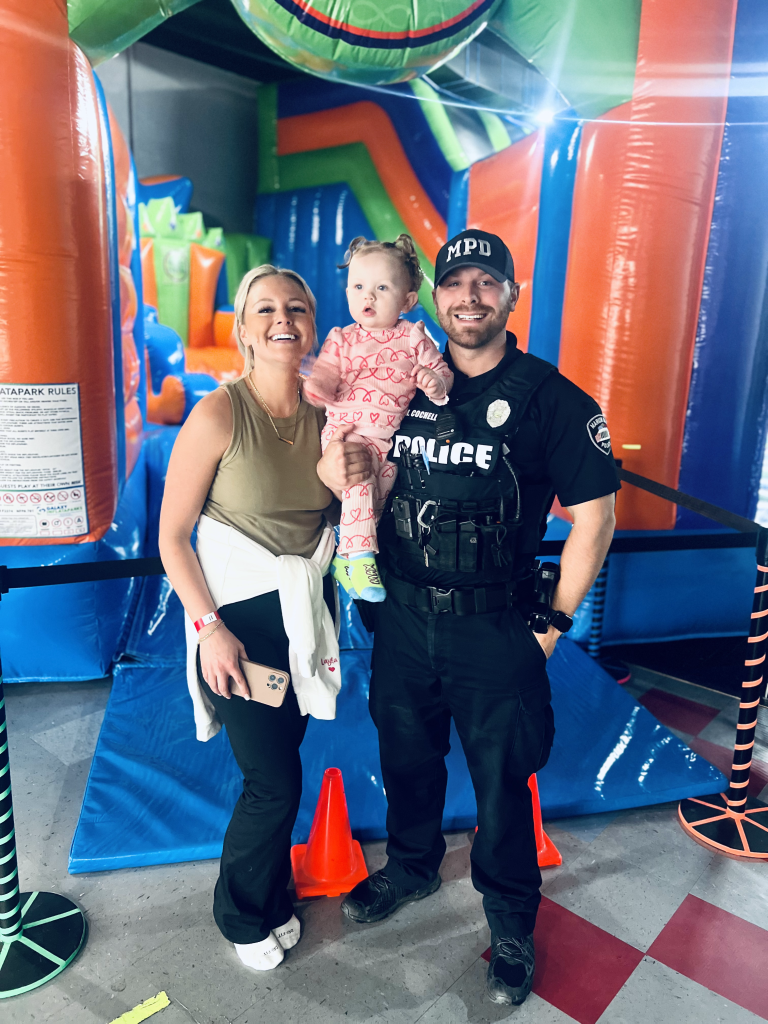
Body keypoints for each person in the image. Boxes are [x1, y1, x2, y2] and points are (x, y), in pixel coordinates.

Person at [328, 229, 619, 1007]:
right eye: (455, 282)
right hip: (403, 617)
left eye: (486, 283)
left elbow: (595, 519)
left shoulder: (548, 398)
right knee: (407, 758)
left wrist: (555, 626)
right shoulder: (397, 375)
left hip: (497, 627)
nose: (469, 296)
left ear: (511, 296)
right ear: (434, 295)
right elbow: (337, 458)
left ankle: (511, 917)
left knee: (501, 782)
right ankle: (413, 868)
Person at [159, 264, 358, 973]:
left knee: (284, 770)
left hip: (304, 621)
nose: (283, 319)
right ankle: (242, 913)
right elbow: (172, 536)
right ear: (242, 329)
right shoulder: (219, 413)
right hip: (237, 627)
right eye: (265, 309)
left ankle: (273, 900)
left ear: (312, 325)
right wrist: (209, 628)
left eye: (297, 308)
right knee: (272, 781)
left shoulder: (331, 419)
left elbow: (342, 517)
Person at [304, 234, 453, 602]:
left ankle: (344, 557)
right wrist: (318, 386)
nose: (367, 296)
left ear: (407, 300)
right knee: (360, 480)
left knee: (380, 491)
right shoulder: (342, 339)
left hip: (387, 441)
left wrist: (434, 383)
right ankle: (360, 558)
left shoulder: (414, 339)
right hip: (348, 433)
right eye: (358, 286)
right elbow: (324, 376)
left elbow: (442, 371)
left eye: (381, 287)